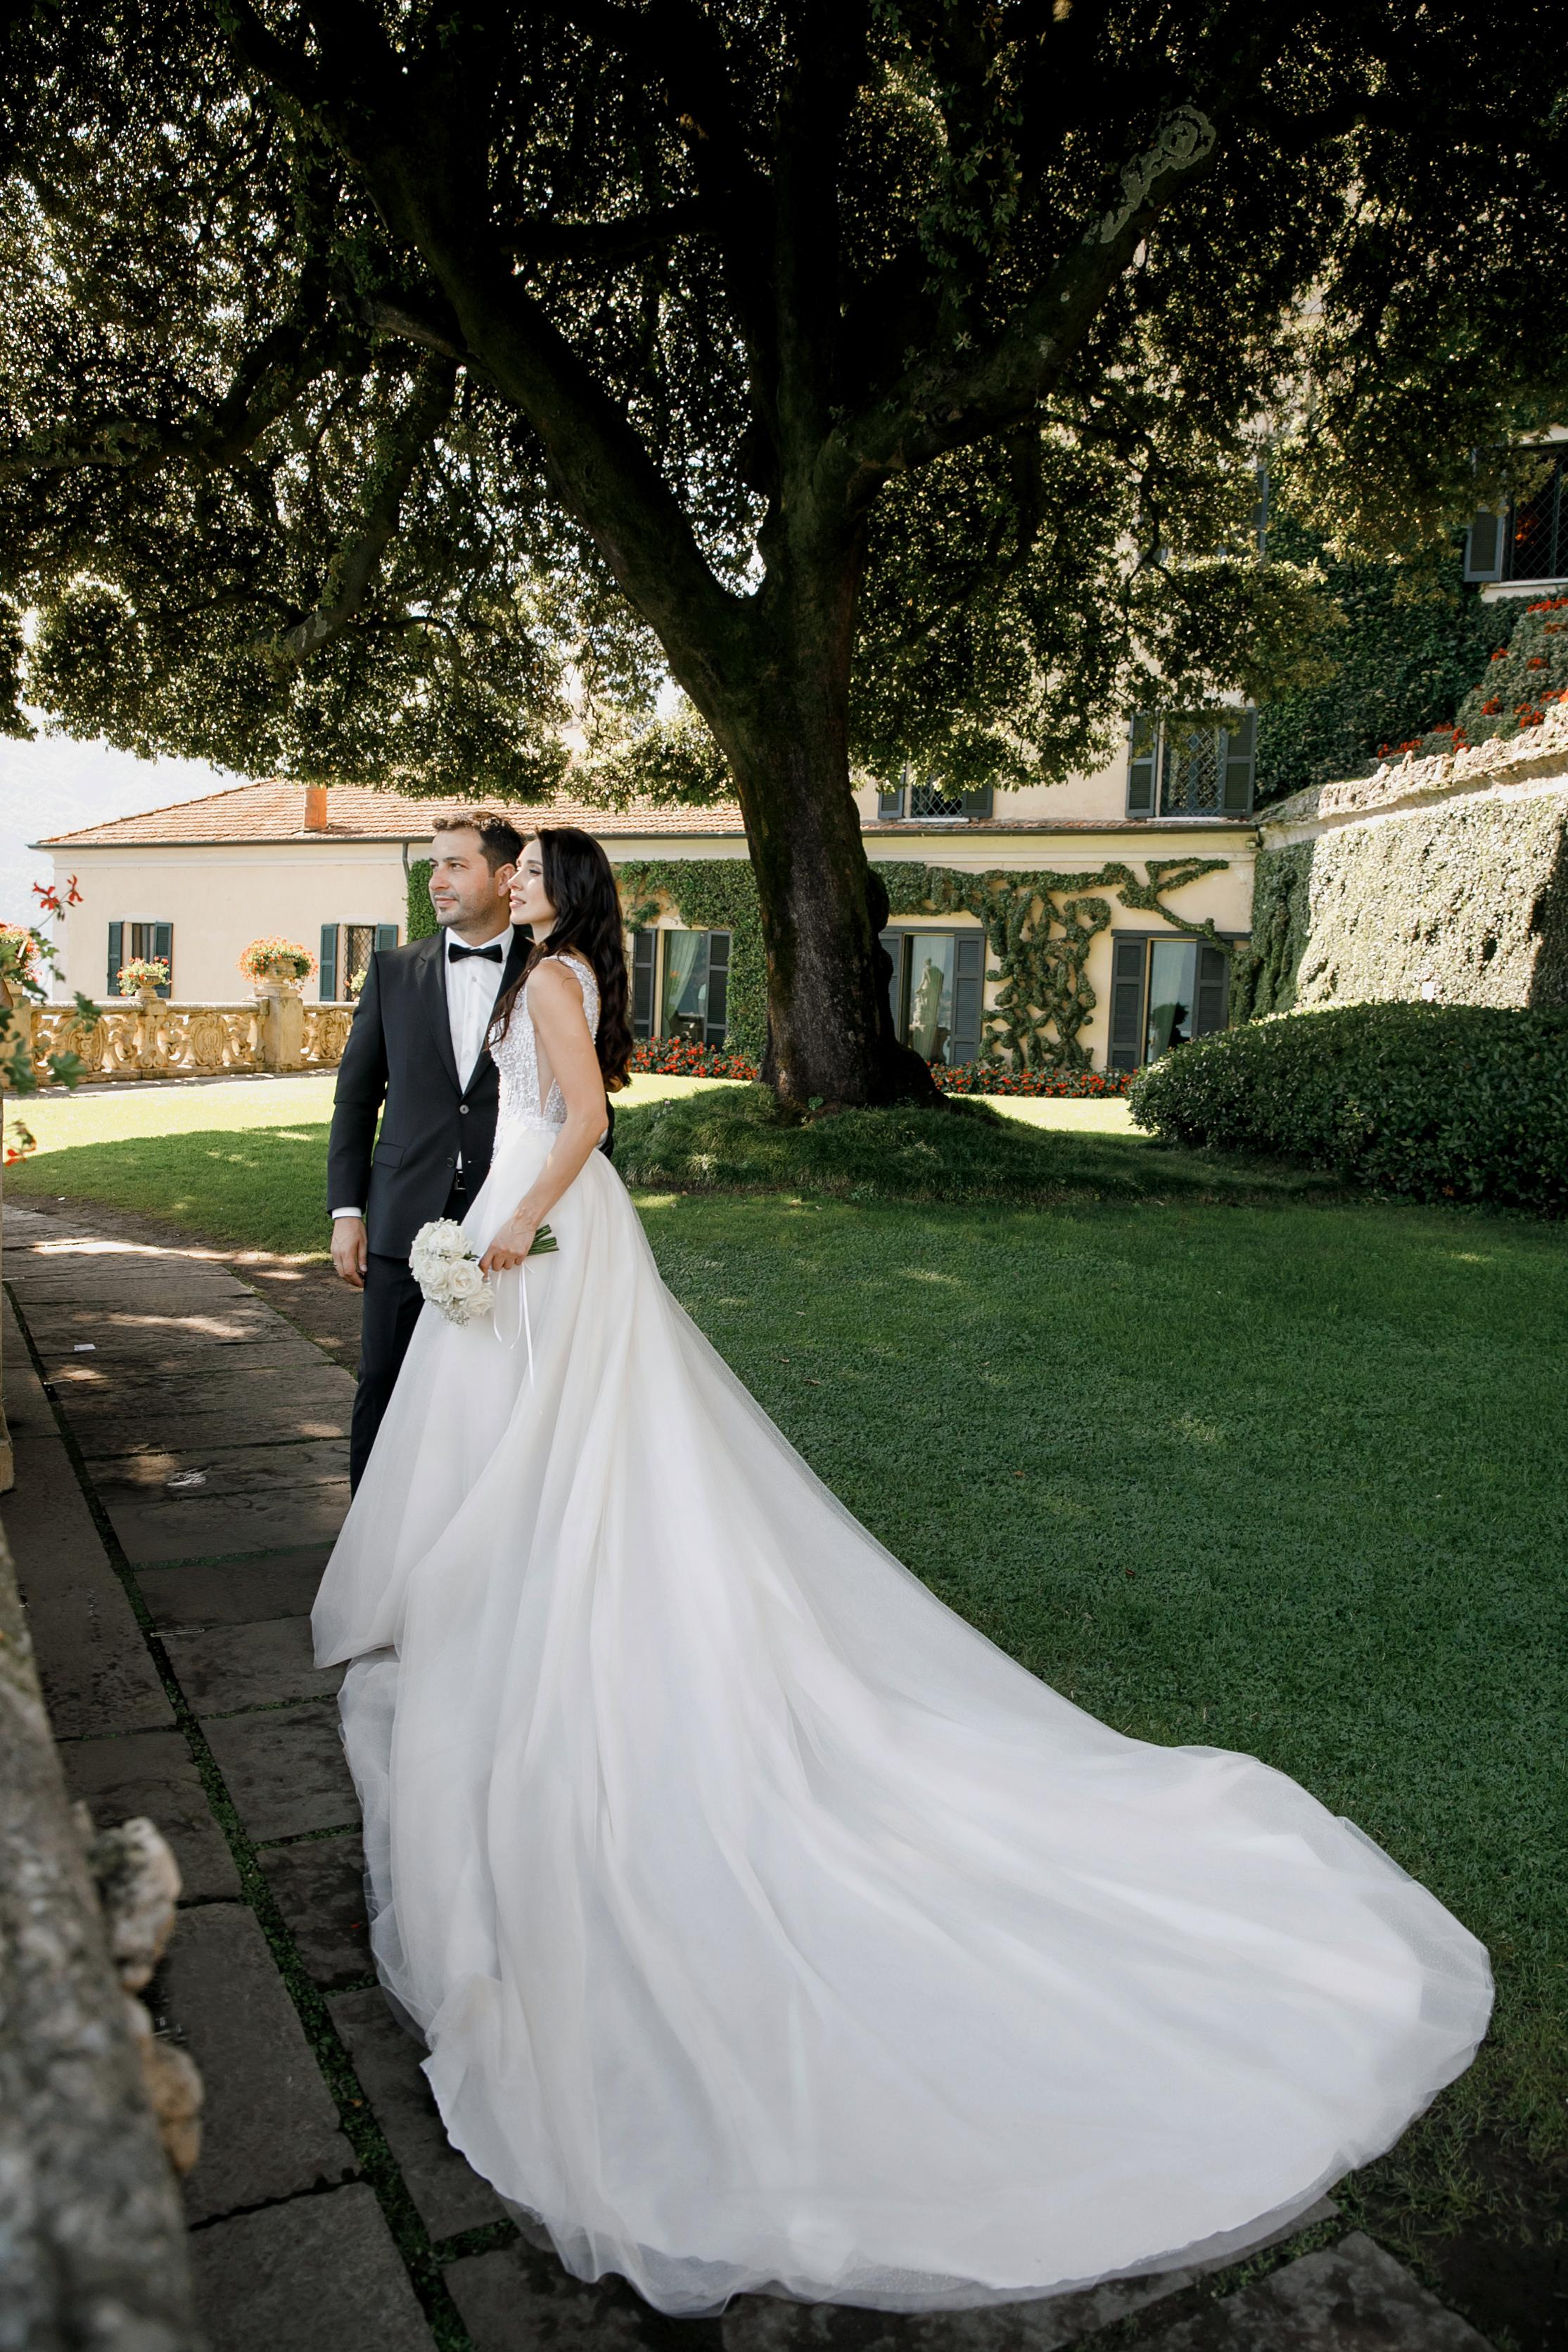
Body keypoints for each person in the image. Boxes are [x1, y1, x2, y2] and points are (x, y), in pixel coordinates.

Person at [313, 825, 1491, 2322]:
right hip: (544, 1233)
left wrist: (512, 1232)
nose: (519, 874)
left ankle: (552, 1634)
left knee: (558, 1448)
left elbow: (585, 1118)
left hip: (538, 1232)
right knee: (567, 1452)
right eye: (519, 862)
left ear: (560, 891)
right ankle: (541, 1604)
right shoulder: (569, 969)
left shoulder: (547, 975)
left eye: (537, 864)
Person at [325, 812, 613, 1489]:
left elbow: (585, 1104)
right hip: (401, 1215)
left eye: (455, 864)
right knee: (384, 1383)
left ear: (502, 874)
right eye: (433, 864)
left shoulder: (548, 967)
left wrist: (562, 1213)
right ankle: (370, 1537)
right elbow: (355, 1098)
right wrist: (347, 1211)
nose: (437, 880)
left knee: (491, 1395)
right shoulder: (393, 971)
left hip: (507, 1216)